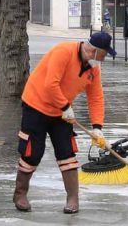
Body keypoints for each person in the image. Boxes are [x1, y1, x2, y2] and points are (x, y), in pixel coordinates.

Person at [13, 32, 115, 214]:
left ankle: (73, 199)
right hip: (36, 105)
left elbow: (96, 98)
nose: (105, 59)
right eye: (105, 54)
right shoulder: (63, 52)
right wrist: (65, 106)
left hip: (61, 112)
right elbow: (50, 84)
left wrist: (97, 128)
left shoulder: (94, 68)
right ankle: (20, 193)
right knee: (32, 152)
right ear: (94, 51)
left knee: (66, 152)